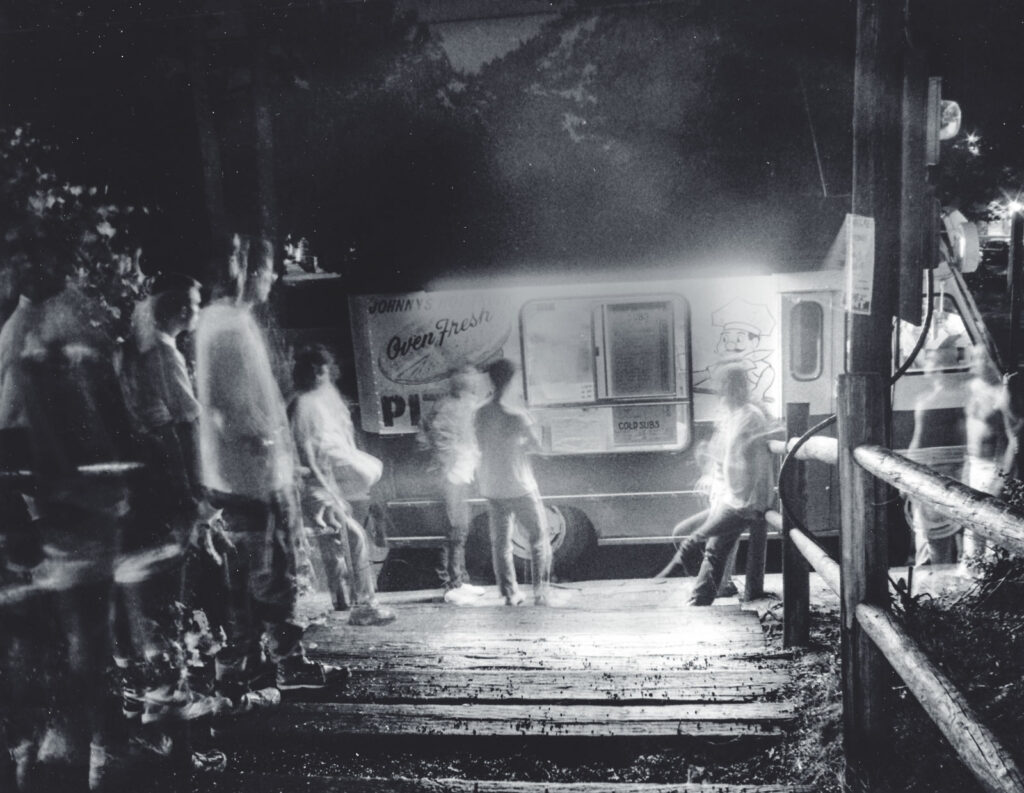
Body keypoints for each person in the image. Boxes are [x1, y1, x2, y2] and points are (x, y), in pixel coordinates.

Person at [194, 232, 331, 696]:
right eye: (268, 268)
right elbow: (231, 405)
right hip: (253, 475)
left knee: (246, 573)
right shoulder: (229, 326)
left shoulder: (221, 321)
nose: (273, 277)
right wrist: (269, 440)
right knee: (274, 570)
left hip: (237, 475)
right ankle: (284, 662)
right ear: (251, 272)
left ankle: (245, 665)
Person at [288, 344, 396, 626]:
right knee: (354, 538)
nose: (320, 376)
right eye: (316, 371)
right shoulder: (304, 405)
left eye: (323, 371)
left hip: (317, 484)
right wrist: (329, 488)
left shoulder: (311, 401)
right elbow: (306, 450)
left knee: (335, 541)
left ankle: (342, 602)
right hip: (315, 485)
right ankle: (365, 605)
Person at [656, 362, 773, 606]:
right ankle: (714, 586)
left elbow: (754, 462)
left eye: (725, 386)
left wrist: (747, 503)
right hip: (729, 498)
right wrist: (707, 464)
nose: (721, 392)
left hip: (744, 502)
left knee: (707, 547)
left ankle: (700, 601)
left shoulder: (751, 417)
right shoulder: (731, 416)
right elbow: (725, 456)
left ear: (737, 387)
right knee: (682, 534)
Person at [474, 358, 551, 606]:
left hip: (492, 486)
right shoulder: (517, 414)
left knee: (501, 543)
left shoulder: (481, 412)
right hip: (520, 485)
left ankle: (509, 594)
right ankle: (540, 592)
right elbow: (538, 446)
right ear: (510, 380)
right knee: (539, 538)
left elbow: (480, 443)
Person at [418, 366, 486, 605]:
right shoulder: (450, 405)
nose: (474, 381)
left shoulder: (464, 403)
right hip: (452, 475)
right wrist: (450, 467)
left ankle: (460, 580)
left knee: (461, 528)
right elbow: (439, 437)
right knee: (454, 529)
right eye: (469, 377)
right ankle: (450, 585)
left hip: (460, 473)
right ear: (461, 382)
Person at [907, 338, 965, 565]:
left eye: (931, 361)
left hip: (939, 471)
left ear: (942, 366)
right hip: (926, 469)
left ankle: (937, 584)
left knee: (937, 536)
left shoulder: (950, 397)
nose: (926, 367)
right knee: (927, 534)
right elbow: (918, 440)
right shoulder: (929, 397)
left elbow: (957, 437)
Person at [958, 350, 1011, 575]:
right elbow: (969, 431)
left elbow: (1011, 437)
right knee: (970, 523)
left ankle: (990, 580)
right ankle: (972, 577)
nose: (976, 361)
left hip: (992, 467)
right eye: (975, 356)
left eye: (982, 357)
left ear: (993, 362)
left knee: (989, 524)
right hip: (973, 463)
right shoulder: (972, 388)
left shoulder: (1003, 393)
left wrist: (1001, 475)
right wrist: (966, 465)